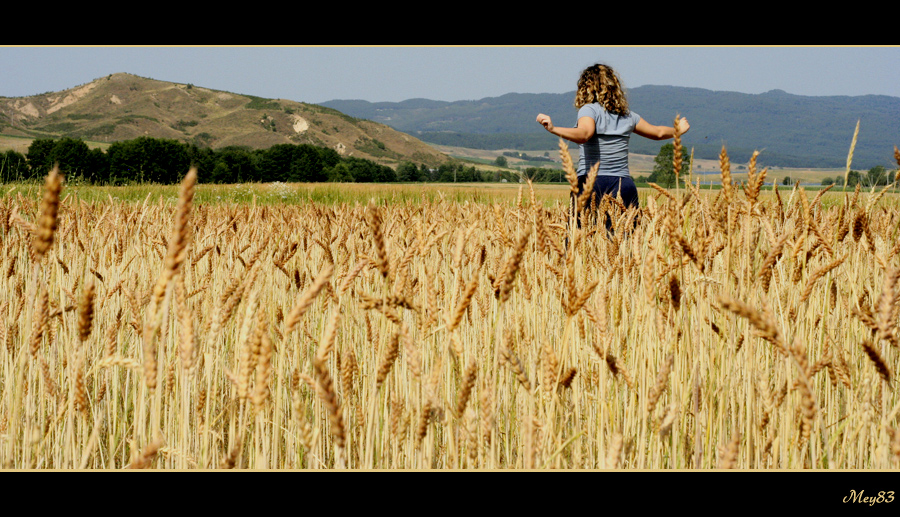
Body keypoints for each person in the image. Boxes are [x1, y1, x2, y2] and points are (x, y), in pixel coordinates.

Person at [536, 63, 690, 230]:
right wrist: (678, 130)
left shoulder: (589, 110)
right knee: (623, 242)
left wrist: (553, 129)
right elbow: (658, 133)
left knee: (578, 239)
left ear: (586, 87)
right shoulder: (628, 116)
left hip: (590, 184)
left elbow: (585, 134)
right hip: (623, 185)